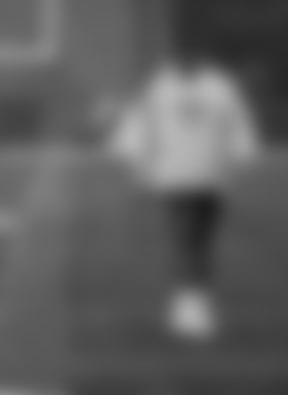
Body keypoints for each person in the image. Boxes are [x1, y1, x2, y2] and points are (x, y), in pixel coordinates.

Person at [106, 53, 263, 340]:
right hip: (174, 175)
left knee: (201, 240)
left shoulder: (220, 86)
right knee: (186, 235)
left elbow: (237, 123)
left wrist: (242, 154)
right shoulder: (159, 87)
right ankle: (189, 305)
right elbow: (140, 126)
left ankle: (194, 301)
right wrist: (137, 162)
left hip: (211, 174)